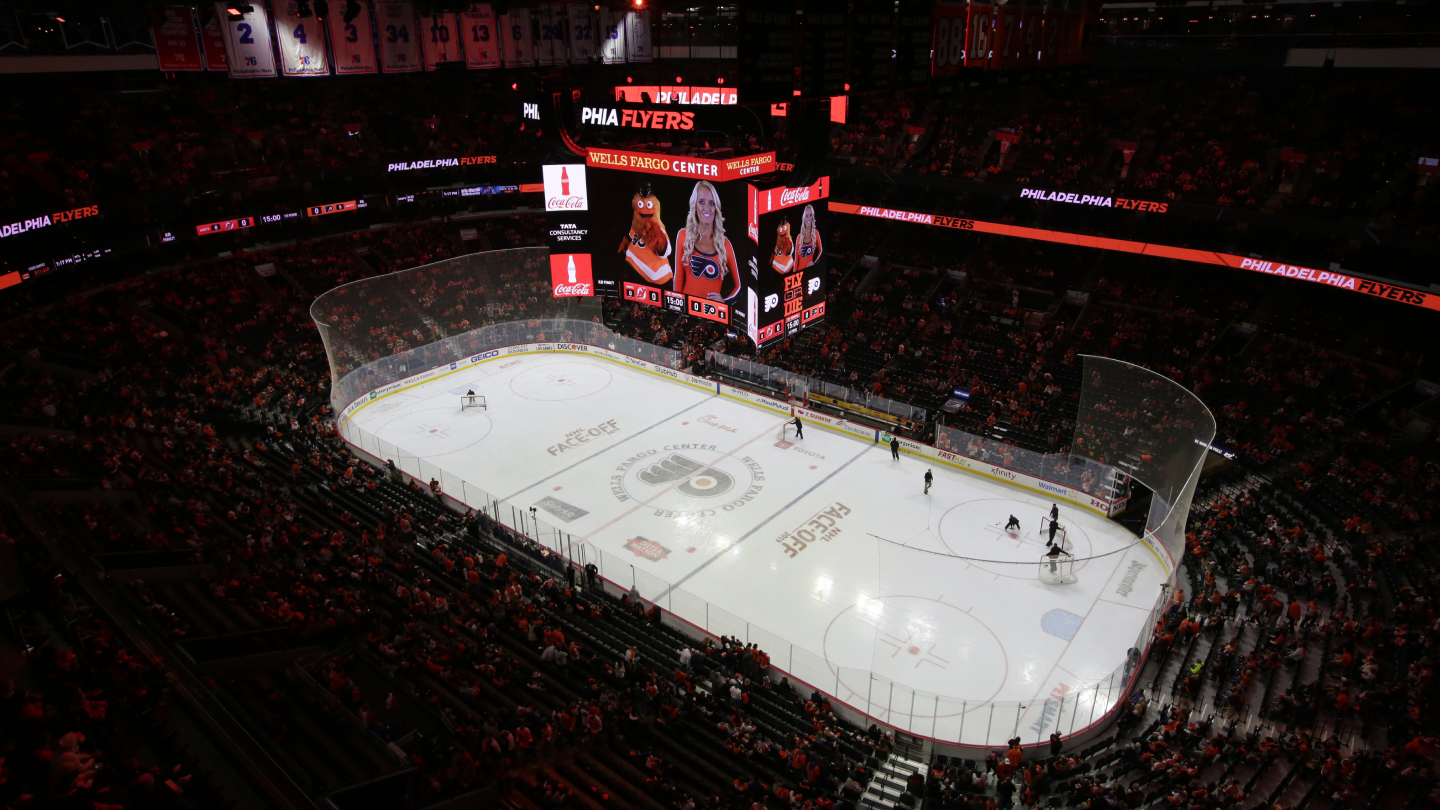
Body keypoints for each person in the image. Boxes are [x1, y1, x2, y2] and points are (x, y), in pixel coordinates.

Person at [673, 180, 740, 302]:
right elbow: (678, 278)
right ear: (695, 206)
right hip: (688, 311)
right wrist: (677, 307)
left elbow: (739, 286)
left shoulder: (724, 244)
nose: (707, 208)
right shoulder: (683, 235)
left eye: (712, 203)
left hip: (713, 314)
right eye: (702, 202)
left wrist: (724, 302)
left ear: (716, 208)